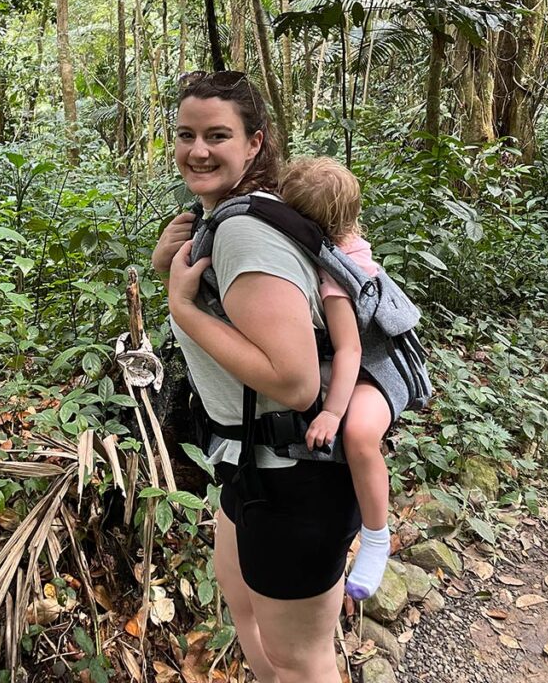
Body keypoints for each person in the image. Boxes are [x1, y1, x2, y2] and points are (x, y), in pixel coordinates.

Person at [153, 71, 360, 683]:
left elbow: (295, 382)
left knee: (300, 659)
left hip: (297, 475)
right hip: (249, 469)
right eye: (186, 134)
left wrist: (183, 309)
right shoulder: (220, 222)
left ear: (255, 144)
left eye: (218, 135)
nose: (198, 149)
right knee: (250, 623)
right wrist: (170, 263)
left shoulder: (244, 231)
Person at [279, 157, 393, 601]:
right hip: (365, 362)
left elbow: (350, 349)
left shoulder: (333, 277)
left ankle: (377, 537)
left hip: (374, 368)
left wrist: (331, 412)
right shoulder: (344, 240)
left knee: (359, 436)